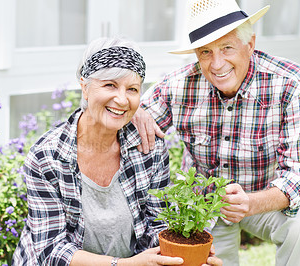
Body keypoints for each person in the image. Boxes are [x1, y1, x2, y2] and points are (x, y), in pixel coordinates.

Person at [133, 0, 300, 265]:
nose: (217, 63)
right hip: (204, 208)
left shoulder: (290, 82)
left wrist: (251, 203)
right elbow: (127, 125)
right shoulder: (178, 85)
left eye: (227, 48)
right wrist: (134, 110)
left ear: (250, 45)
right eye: (205, 52)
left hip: (266, 199)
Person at [12, 37, 222, 266]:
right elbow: (52, 252)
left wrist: (185, 253)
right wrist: (124, 265)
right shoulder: (47, 157)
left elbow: (156, 225)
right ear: (85, 86)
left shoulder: (149, 147)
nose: (122, 100)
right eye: (110, 85)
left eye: (132, 89)